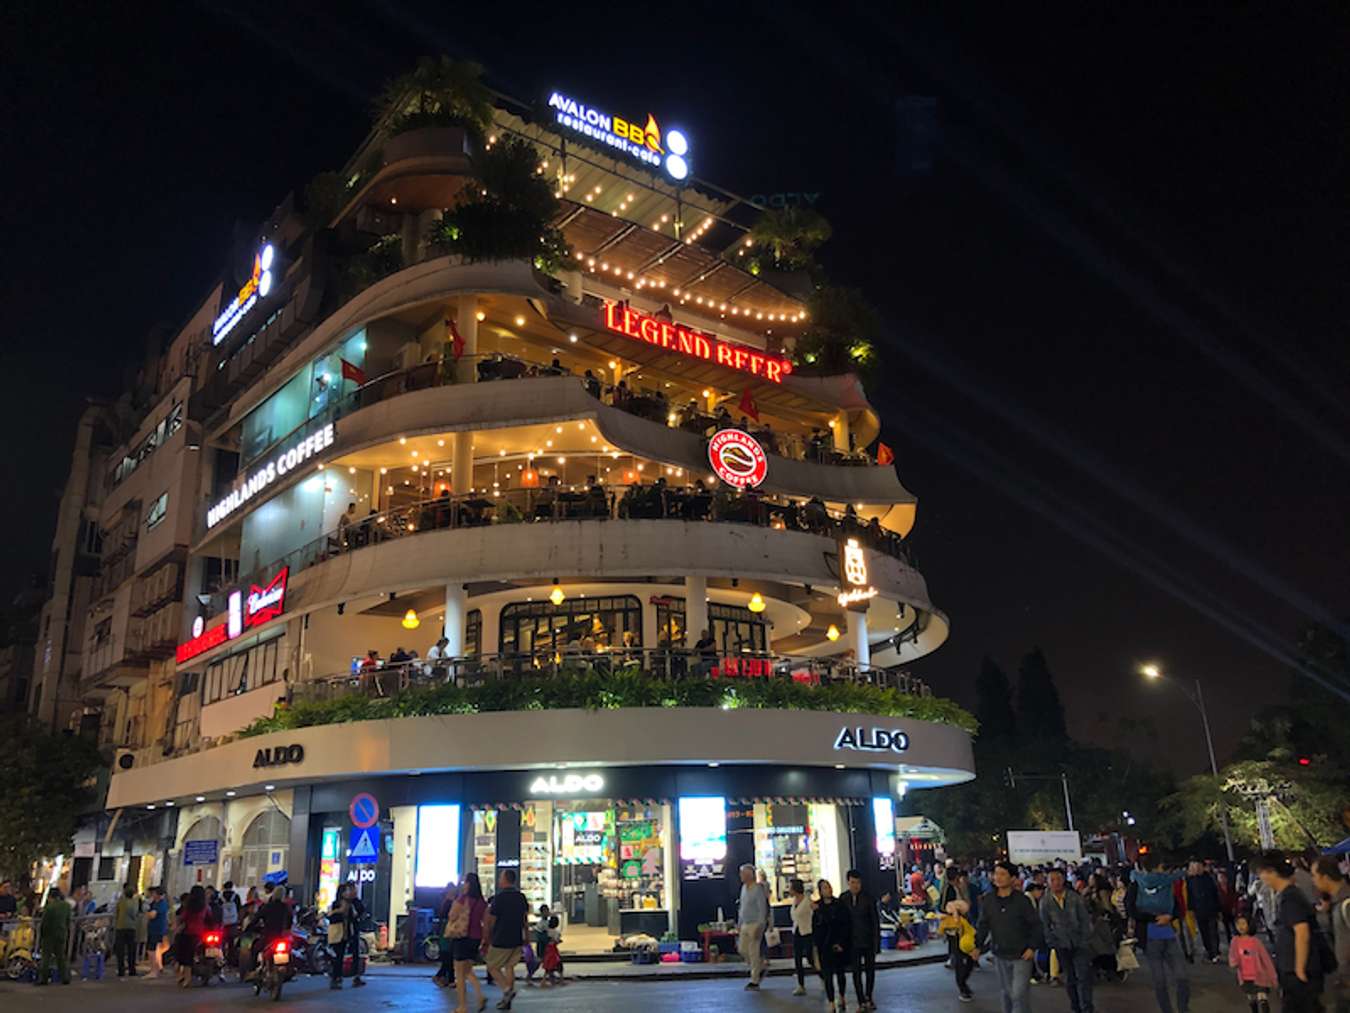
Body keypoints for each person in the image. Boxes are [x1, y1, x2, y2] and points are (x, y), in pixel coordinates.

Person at [1257, 850, 1324, 1012]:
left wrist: (1299, 969)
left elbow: (1302, 933)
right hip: (1293, 970)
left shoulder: (1290, 897)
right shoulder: (1287, 895)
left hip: (1298, 972)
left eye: (1261, 873)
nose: (1261, 878)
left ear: (1271, 872)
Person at [974, 860, 1044, 1013]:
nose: (997, 877)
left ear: (1012, 878)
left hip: (1022, 955)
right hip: (1000, 954)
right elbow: (983, 925)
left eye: (1002, 874)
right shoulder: (989, 900)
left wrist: (1032, 947)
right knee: (1006, 993)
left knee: (1018, 993)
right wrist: (977, 946)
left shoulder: (1022, 901)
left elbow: (1037, 925)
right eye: (996, 874)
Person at [1128, 860, 1189, 1013]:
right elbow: (1131, 908)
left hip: (1168, 934)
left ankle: (1183, 1009)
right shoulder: (1136, 885)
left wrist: (1169, 916)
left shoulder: (1165, 884)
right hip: (1149, 936)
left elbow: (1176, 907)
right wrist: (1153, 918)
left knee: (1181, 976)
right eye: (1161, 868)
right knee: (1159, 980)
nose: (1163, 872)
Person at [1040, 867, 1095, 1013]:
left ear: (1063, 880)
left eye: (1058, 879)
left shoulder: (1074, 897)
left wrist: (1085, 938)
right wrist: (1051, 941)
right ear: (1048, 882)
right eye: (1052, 880)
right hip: (1060, 944)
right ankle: (1075, 1007)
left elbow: (1084, 919)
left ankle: (1087, 1007)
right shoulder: (1045, 902)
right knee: (1070, 978)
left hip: (1080, 942)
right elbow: (1044, 924)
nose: (1056, 883)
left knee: (1083, 976)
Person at [483, 868, 528, 1010]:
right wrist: (526, 935)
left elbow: (491, 920)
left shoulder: (499, 898)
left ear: (505, 880)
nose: (499, 880)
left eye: (500, 878)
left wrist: (486, 938)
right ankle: (506, 1000)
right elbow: (524, 918)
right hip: (516, 937)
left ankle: (507, 989)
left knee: (492, 966)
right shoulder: (521, 896)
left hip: (501, 938)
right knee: (509, 967)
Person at [1312, 855, 1350, 1013]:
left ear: (1326, 877)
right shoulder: (1336, 904)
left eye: (1314, 875)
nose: (1313, 880)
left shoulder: (1346, 904)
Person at [446, 871, 488, 1013]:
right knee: (468, 970)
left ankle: (462, 1006)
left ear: (469, 884)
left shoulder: (463, 899)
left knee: (459, 973)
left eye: (464, 882)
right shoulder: (482, 902)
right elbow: (485, 921)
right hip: (476, 937)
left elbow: (451, 916)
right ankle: (480, 995)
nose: (463, 884)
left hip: (462, 937)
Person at [842, 868, 880, 1010]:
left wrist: (876, 943)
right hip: (852, 942)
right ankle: (861, 1001)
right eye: (852, 882)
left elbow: (875, 921)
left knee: (870, 971)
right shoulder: (843, 898)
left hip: (868, 940)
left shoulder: (868, 898)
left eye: (857, 882)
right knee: (856, 973)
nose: (855, 885)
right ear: (848, 883)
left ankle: (869, 997)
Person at [813, 878, 851, 1012]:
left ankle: (841, 996)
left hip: (838, 943)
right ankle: (831, 1002)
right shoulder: (817, 907)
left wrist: (842, 942)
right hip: (824, 945)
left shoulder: (839, 904)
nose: (828, 890)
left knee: (840, 973)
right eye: (824, 888)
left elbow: (844, 924)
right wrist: (816, 947)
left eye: (829, 887)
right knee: (827, 975)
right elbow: (816, 928)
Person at [941, 867, 978, 1002]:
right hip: (954, 929)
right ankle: (962, 988)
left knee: (968, 957)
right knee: (960, 959)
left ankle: (964, 984)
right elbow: (942, 906)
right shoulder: (948, 889)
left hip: (965, 927)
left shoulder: (960, 888)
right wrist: (954, 910)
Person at [1228, 914, 1278, 1013]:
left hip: (1259, 976)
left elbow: (1266, 959)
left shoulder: (1256, 942)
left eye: (1243, 923)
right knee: (1251, 998)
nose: (1240, 926)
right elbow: (1232, 955)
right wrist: (1233, 962)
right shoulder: (1235, 941)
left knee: (1262, 997)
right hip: (1245, 977)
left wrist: (1273, 977)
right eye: (1238, 924)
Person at [736, 862, 769, 989]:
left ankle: (754, 980)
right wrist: (739, 923)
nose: (741, 876)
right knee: (742, 949)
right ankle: (759, 966)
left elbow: (762, 908)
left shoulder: (758, 889)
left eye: (743, 873)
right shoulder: (743, 888)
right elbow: (742, 907)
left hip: (755, 923)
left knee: (753, 951)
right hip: (745, 923)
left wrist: (761, 925)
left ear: (749, 875)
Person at [329, 882, 367, 990]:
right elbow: (332, 918)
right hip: (340, 932)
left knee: (355, 953)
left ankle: (356, 977)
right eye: (347, 890)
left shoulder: (355, 903)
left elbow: (361, 913)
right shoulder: (337, 904)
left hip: (351, 931)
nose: (350, 892)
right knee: (338, 956)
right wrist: (339, 912)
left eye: (351, 890)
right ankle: (336, 978)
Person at [1185, 860, 1221, 963]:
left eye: (1198, 867)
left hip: (1211, 908)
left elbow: (1215, 893)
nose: (1196, 869)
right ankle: (1209, 951)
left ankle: (1215, 952)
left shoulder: (1209, 878)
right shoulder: (1190, 880)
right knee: (1204, 932)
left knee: (1213, 931)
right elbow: (1190, 895)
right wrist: (1191, 908)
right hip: (1199, 909)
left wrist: (1218, 908)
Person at [35, 887, 72, 985]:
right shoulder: (66, 906)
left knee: (46, 957)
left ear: (51, 897)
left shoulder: (50, 907)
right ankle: (65, 977)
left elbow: (45, 923)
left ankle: (44, 978)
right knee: (61, 956)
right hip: (61, 934)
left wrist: (41, 934)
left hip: (49, 935)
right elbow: (68, 920)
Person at [175, 885, 210, 988]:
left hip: (188, 933)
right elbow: (210, 918)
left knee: (186, 957)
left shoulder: (189, 906)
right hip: (201, 933)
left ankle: (186, 977)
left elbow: (182, 918)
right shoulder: (205, 906)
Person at [787, 877, 814, 996]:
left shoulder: (807, 901)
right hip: (797, 931)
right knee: (797, 959)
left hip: (807, 932)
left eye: (790, 887)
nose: (789, 889)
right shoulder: (794, 901)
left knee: (810, 958)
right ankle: (801, 985)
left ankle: (823, 976)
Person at [433, 881, 459, 988]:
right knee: (449, 955)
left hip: (446, 931)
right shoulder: (453, 903)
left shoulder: (445, 902)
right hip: (449, 931)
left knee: (447, 955)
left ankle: (444, 977)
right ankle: (446, 977)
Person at [113, 882, 140, 976]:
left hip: (120, 927)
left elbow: (116, 912)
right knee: (131, 950)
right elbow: (134, 913)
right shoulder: (135, 902)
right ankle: (132, 969)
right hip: (131, 927)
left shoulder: (120, 901)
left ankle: (121, 970)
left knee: (120, 950)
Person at [144, 886, 169, 977]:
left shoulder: (161, 904)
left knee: (152, 950)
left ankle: (154, 970)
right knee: (155, 949)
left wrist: (146, 913)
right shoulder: (155, 903)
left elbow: (152, 915)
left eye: (154, 893)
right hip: (154, 928)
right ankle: (157, 967)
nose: (152, 895)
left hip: (157, 929)